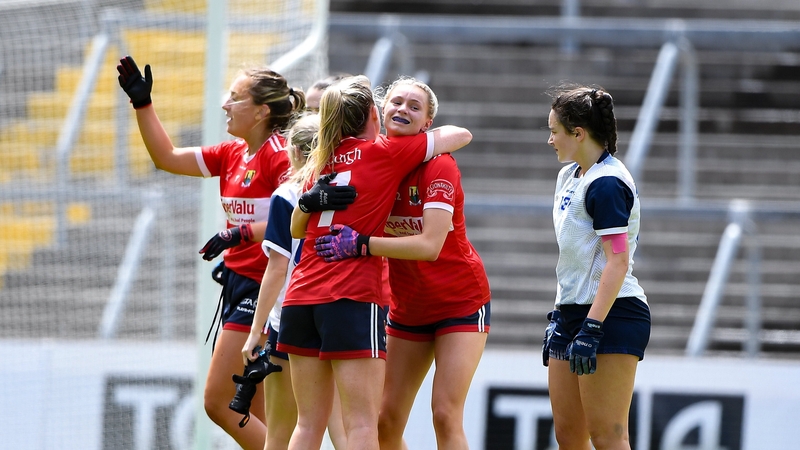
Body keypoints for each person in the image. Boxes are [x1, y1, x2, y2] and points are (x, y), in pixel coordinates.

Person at [117, 55, 306, 450]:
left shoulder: (280, 155)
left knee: (218, 402)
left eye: (234, 98)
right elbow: (166, 158)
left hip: (267, 287)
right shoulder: (232, 154)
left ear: (260, 112)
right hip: (239, 283)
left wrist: (239, 235)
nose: (224, 104)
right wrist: (142, 104)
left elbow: (296, 220)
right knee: (256, 413)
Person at [278, 75, 473, 450]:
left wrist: (306, 204)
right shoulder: (384, 151)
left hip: (300, 297)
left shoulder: (322, 161)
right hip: (350, 296)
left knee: (306, 425)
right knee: (363, 426)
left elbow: (297, 230)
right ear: (374, 113)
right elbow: (460, 135)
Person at [541, 84, 650, 450]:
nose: (550, 139)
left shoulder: (606, 184)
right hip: (572, 314)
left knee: (608, 435)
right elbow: (575, 258)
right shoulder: (569, 175)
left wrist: (591, 327)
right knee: (568, 436)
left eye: (554, 131)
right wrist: (561, 313)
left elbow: (617, 260)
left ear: (579, 133)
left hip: (612, 314)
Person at [241, 113, 350, 450]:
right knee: (347, 431)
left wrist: (256, 330)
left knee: (285, 432)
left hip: (293, 316)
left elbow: (277, 268)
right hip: (342, 310)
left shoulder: (288, 195)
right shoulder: (347, 189)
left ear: (294, 152)